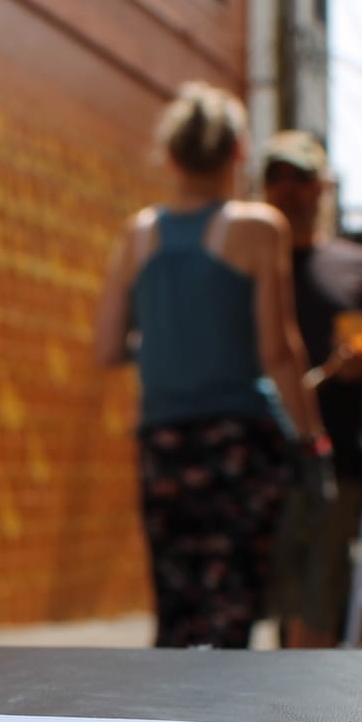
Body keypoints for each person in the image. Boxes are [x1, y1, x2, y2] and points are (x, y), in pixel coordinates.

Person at [92, 84, 327, 649]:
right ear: (239, 153)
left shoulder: (140, 233)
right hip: (238, 444)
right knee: (232, 606)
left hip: (163, 441)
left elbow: (105, 347)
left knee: (176, 606)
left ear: (170, 156)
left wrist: (169, 341)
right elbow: (278, 349)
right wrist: (313, 437)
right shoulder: (258, 227)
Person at [259, 131, 362, 648]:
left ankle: (300, 721)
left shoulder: (359, 265)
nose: (288, 190)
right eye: (277, 178)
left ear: (324, 188)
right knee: (272, 603)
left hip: (337, 458)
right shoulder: (248, 259)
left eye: (301, 178)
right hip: (263, 456)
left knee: (318, 603)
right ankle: (277, 719)